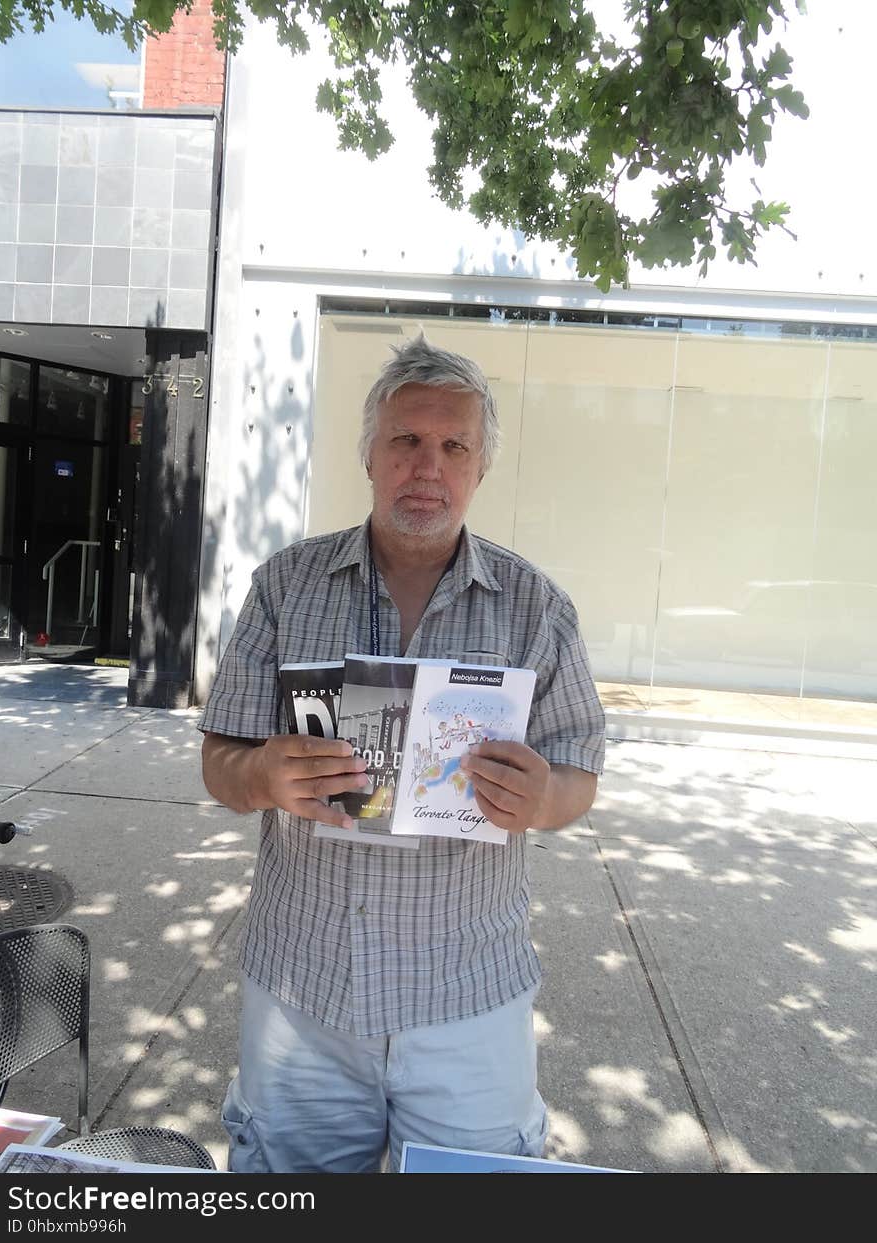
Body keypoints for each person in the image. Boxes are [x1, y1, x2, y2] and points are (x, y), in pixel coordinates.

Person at [199, 334, 605, 1173]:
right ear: (371, 457)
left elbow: (579, 777)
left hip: (466, 998)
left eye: (453, 445)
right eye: (406, 441)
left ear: (480, 466)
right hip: (301, 994)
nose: (429, 465)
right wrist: (262, 775)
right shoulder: (285, 585)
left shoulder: (538, 609)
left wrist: (543, 796)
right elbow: (220, 763)